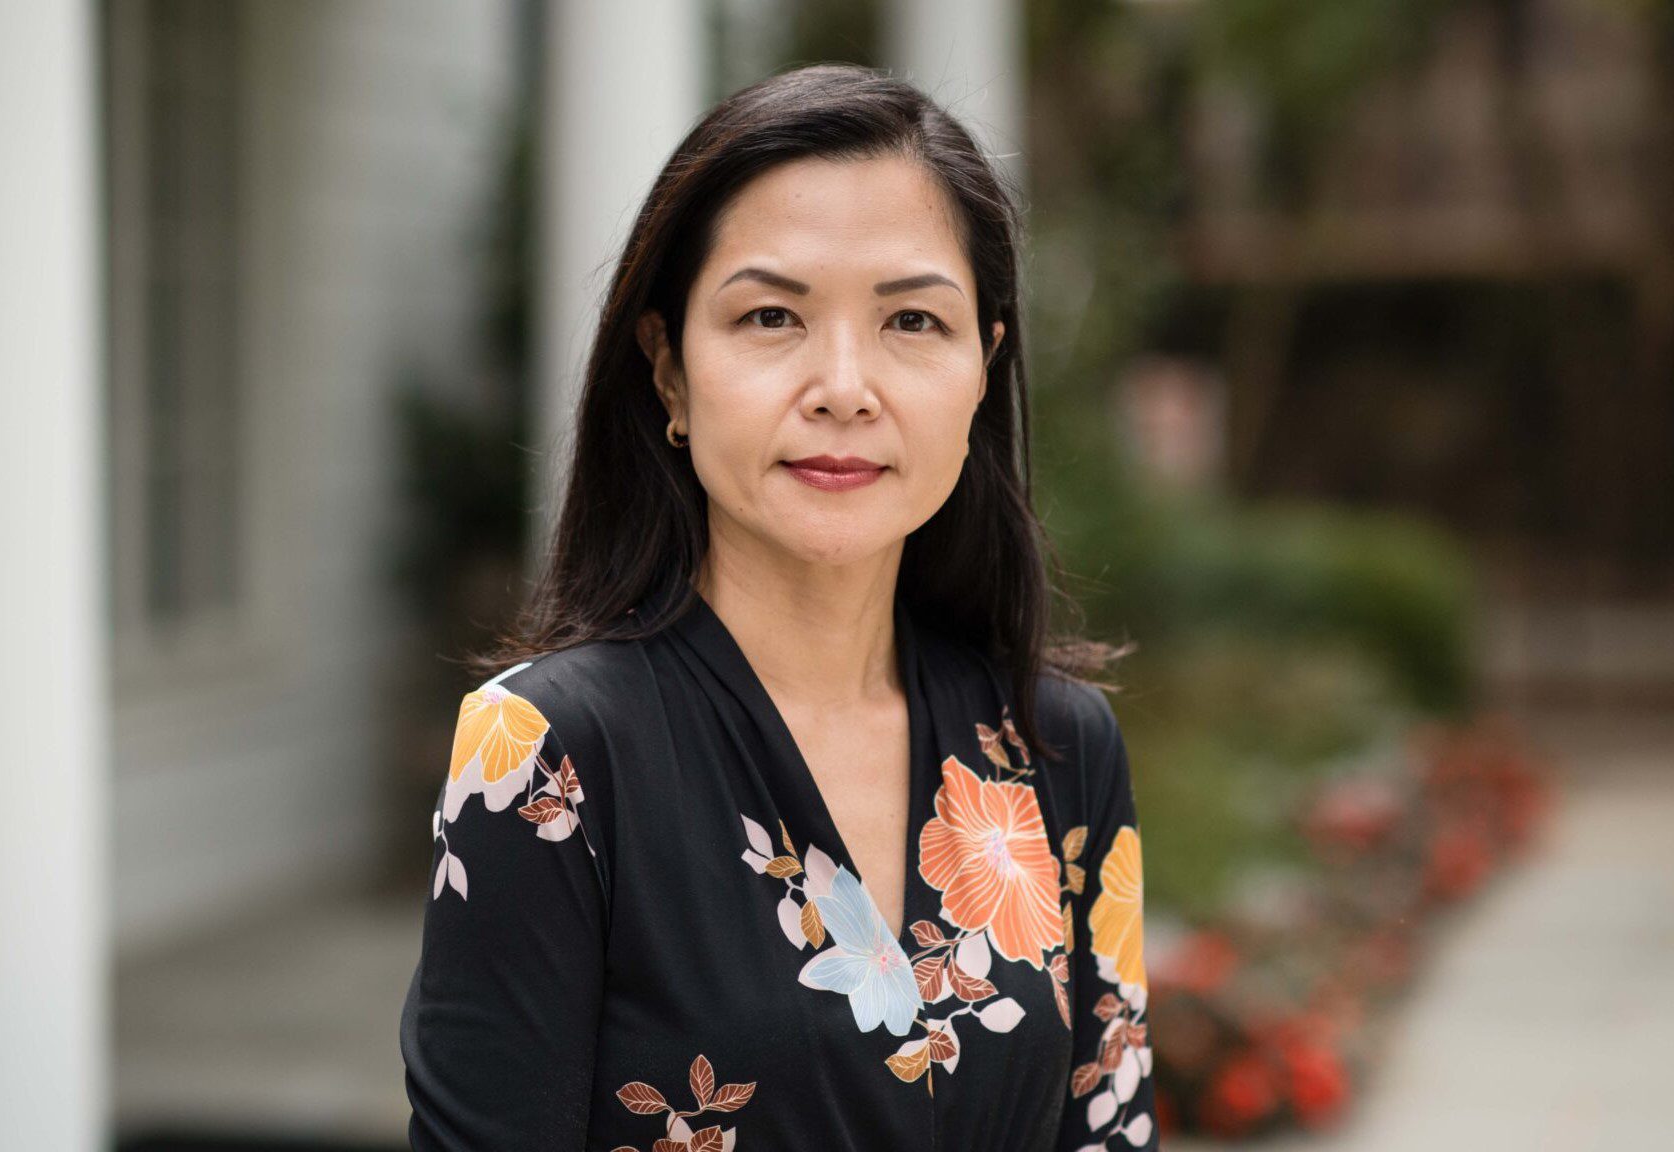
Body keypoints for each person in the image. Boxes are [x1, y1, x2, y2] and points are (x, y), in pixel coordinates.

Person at [399, 62, 1159, 1151]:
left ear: (983, 368)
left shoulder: (1060, 748)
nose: (845, 385)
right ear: (667, 369)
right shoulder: (550, 756)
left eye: (911, 321)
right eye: (770, 316)